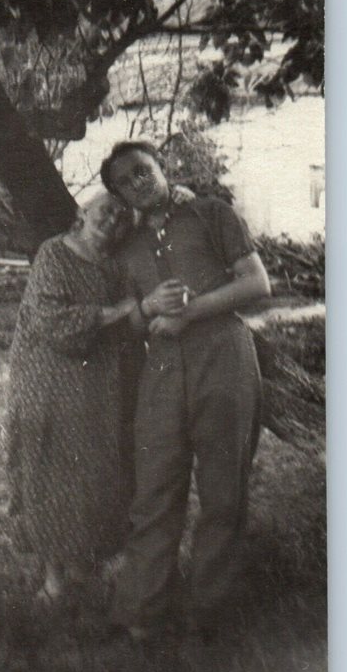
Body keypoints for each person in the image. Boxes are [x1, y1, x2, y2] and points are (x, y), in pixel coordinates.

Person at [100, 140, 271, 641]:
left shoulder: (211, 213)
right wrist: (150, 308)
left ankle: (208, 614)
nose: (139, 182)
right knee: (154, 490)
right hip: (161, 372)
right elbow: (124, 321)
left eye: (143, 170)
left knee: (223, 493)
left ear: (160, 167)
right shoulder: (124, 245)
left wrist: (190, 312)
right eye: (126, 180)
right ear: (119, 194)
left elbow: (258, 284)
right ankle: (142, 613)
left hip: (223, 356)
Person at [6, 191, 175, 604]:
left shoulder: (118, 264)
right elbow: (52, 323)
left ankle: (84, 567)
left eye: (122, 216)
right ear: (82, 212)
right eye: (105, 210)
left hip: (101, 385)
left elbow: (136, 320)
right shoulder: (54, 253)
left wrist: (134, 310)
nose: (113, 219)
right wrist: (124, 309)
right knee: (51, 473)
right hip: (48, 381)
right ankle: (53, 581)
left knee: (95, 475)